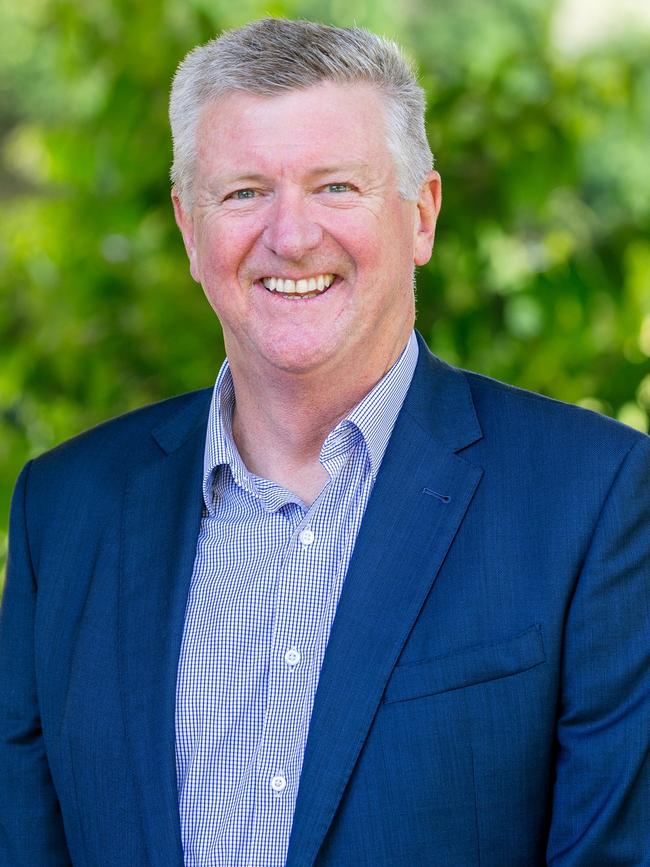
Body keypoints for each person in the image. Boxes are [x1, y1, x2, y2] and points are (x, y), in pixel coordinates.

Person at [1, 17, 648, 867]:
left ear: (421, 216)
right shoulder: (66, 509)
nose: (292, 235)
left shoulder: (591, 498)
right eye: (243, 192)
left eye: (337, 187)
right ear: (190, 230)